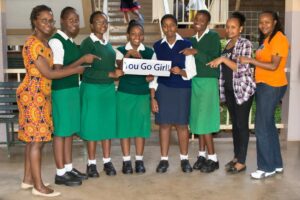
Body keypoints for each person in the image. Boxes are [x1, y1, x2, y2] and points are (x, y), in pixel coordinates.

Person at [17, 5, 94, 197]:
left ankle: (28, 180)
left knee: (32, 142)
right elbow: (50, 72)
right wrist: (77, 70)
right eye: (44, 20)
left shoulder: (43, 43)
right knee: (36, 142)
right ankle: (38, 186)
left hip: (42, 95)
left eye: (50, 21)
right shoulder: (33, 44)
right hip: (33, 95)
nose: (48, 24)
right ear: (34, 21)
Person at [239, 11, 289, 179]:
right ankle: (276, 164)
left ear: (275, 22)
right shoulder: (267, 39)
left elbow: (274, 65)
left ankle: (266, 167)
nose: (263, 25)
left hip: (272, 85)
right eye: (261, 22)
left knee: (261, 127)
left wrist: (250, 61)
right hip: (265, 85)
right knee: (268, 126)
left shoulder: (279, 39)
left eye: (267, 22)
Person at [48, 7, 93, 186]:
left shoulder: (71, 42)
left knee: (69, 132)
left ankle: (68, 168)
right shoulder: (56, 41)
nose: (75, 23)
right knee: (60, 132)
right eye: (71, 19)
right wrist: (81, 63)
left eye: (77, 20)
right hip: (61, 91)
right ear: (62, 21)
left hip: (72, 90)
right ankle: (60, 173)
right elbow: (57, 70)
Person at [208, 12, 255, 174]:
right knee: (235, 126)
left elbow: (242, 68)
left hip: (242, 91)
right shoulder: (227, 44)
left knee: (242, 126)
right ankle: (237, 157)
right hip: (229, 90)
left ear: (241, 28)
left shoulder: (245, 44)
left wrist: (222, 60)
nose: (229, 29)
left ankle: (242, 162)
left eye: (233, 27)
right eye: (227, 27)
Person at [150, 14, 197, 173]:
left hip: (182, 90)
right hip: (163, 90)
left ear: (177, 26)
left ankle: (184, 159)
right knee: (164, 125)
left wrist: (180, 71)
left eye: (172, 25)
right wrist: (153, 96)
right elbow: (154, 73)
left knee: (182, 126)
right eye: (165, 25)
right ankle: (164, 160)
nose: (168, 28)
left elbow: (192, 72)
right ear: (162, 27)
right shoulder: (157, 47)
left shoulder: (186, 44)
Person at [80, 11, 123, 178]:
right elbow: (86, 71)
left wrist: (120, 68)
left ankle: (107, 161)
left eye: (105, 22)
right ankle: (91, 164)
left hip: (107, 90)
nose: (103, 25)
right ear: (91, 25)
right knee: (92, 127)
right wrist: (111, 75)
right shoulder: (87, 43)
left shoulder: (107, 44)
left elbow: (108, 65)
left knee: (107, 126)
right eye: (99, 22)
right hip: (92, 89)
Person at [115, 20, 155, 174]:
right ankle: (126, 162)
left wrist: (151, 77)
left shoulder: (150, 52)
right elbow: (119, 69)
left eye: (139, 34)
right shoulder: (119, 50)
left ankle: (139, 160)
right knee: (124, 128)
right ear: (128, 35)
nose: (136, 37)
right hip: (124, 94)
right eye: (133, 34)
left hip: (142, 94)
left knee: (140, 128)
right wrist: (128, 55)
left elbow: (153, 73)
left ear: (143, 36)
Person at [185, 10, 221, 173]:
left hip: (208, 81)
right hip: (194, 81)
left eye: (202, 19)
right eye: (196, 19)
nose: (198, 21)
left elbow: (213, 60)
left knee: (205, 119)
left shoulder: (213, 37)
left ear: (208, 23)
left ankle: (213, 158)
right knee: (198, 118)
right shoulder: (191, 40)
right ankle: (201, 155)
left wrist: (196, 52)